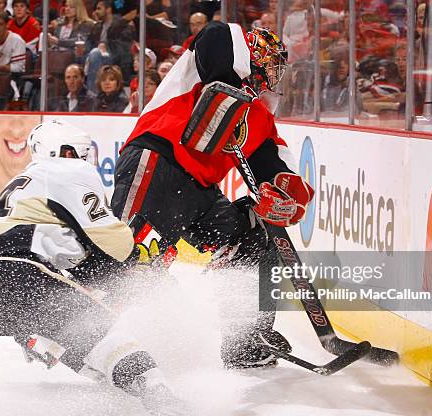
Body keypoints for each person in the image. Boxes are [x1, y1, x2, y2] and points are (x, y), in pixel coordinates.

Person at [0, 120, 183, 416]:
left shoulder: (28, 183)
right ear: (72, 152)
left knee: (64, 328)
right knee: (94, 323)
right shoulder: (68, 169)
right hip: (9, 271)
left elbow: (68, 254)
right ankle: (159, 395)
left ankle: (114, 373)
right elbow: (114, 241)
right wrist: (137, 259)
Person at [111, 23, 314, 369]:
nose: (276, 73)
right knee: (127, 259)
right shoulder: (218, 47)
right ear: (254, 53)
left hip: (200, 193)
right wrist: (241, 84)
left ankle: (244, 340)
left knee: (256, 234)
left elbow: (275, 167)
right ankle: (84, 334)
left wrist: (285, 196)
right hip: (157, 161)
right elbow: (217, 45)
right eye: (272, 62)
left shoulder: (259, 117)